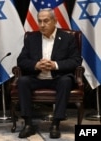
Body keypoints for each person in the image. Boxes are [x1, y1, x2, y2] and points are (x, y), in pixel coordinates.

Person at [16, 8, 82, 139]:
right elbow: (21, 60)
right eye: (39, 21)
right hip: (37, 77)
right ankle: (28, 124)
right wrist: (36, 65)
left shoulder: (67, 38)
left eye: (46, 21)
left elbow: (76, 60)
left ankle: (55, 124)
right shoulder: (31, 38)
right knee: (22, 81)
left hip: (58, 77)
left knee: (66, 81)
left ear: (55, 21)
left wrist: (55, 65)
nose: (42, 25)